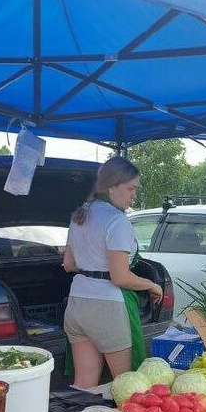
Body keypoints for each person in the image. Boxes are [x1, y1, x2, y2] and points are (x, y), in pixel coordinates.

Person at [62, 156, 163, 387]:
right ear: (111, 186)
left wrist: (92, 267)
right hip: (107, 305)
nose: (133, 194)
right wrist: (151, 285)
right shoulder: (117, 221)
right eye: (131, 188)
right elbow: (120, 277)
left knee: (84, 383)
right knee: (125, 385)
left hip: (78, 302)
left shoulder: (80, 215)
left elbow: (69, 264)